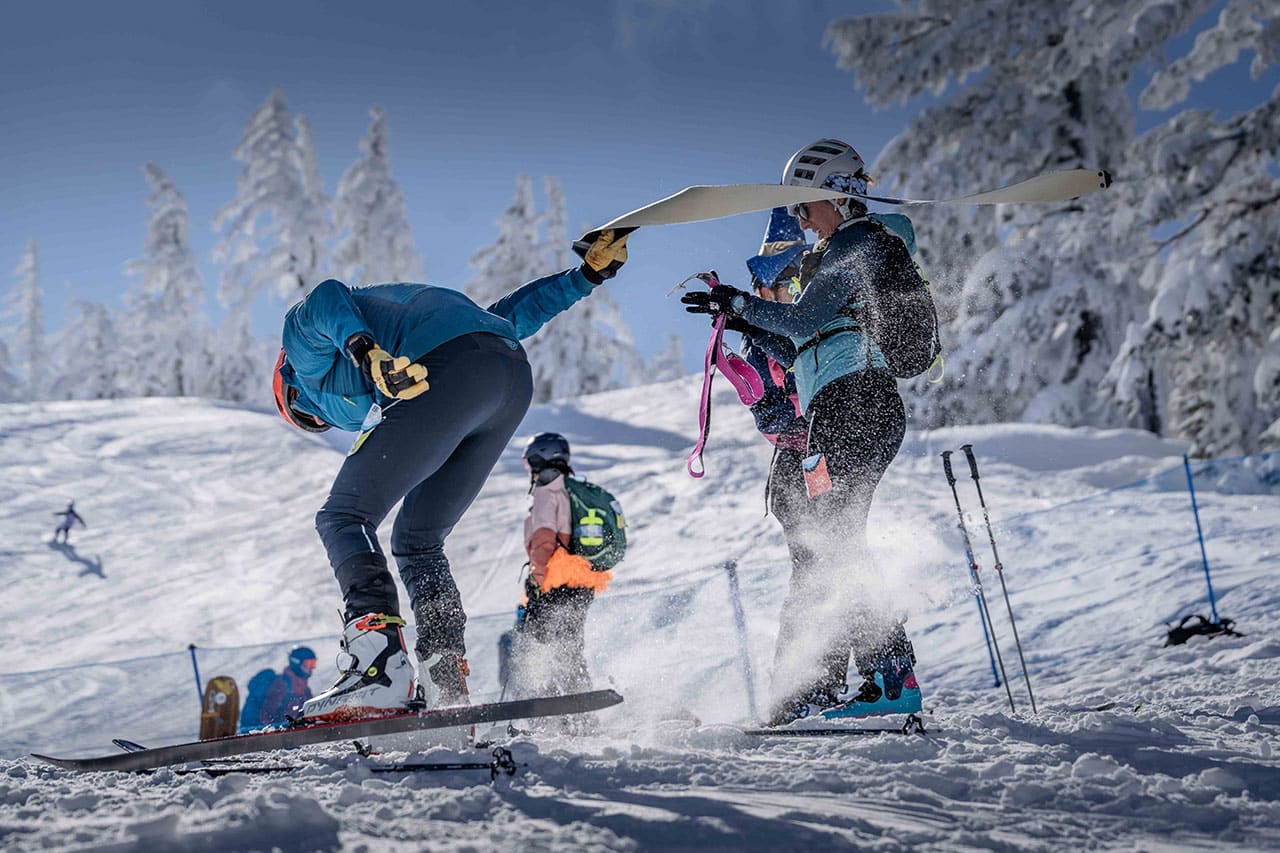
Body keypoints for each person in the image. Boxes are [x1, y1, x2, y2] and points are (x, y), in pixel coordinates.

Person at [273, 229, 629, 723]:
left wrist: (362, 348)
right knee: (418, 541)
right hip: (503, 378)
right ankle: (447, 681)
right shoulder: (400, 339)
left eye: (315, 420)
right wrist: (584, 276)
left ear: (291, 394)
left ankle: (378, 670)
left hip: (446, 372)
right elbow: (506, 319)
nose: (330, 422)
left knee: (343, 516)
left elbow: (325, 297)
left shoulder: (302, 361)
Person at [682, 139, 923, 725]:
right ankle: (840, 683)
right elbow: (799, 347)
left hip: (857, 403)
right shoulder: (841, 250)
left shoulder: (859, 241)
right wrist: (737, 317)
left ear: (836, 195)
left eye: (803, 205)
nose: (800, 219)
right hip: (839, 407)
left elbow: (805, 319)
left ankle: (891, 675)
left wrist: (741, 303)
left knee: (834, 539)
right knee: (827, 541)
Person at [506, 433, 611, 699]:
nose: (530, 470)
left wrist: (536, 580)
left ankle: (547, 703)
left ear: (539, 459)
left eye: (530, 462)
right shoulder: (570, 488)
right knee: (569, 647)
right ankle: (581, 702)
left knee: (537, 647)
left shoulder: (546, 492)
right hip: (581, 583)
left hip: (555, 584)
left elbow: (544, 540)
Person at [250, 646, 317, 729]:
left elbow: (312, 712)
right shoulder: (281, 685)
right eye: (308, 664)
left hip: (294, 730)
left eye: (313, 664)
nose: (311, 668)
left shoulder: (305, 689)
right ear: (296, 663)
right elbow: (266, 716)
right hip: (281, 732)